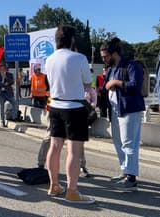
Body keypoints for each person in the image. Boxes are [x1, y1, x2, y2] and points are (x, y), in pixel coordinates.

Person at [45, 25, 95, 204]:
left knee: (55, 147)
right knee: (74, 151)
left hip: (55, 106)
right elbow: (88, 84)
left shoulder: (49, 59)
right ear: (72, 39)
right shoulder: (79, 57)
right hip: (74, 107)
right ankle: (72, 191)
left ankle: (54, 185)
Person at [100, 37, 145, 191]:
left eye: (105, 56)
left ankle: (131, 180)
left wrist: (116, 83)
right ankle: (125, 171)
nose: (104, 59)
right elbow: (104, 88)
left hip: (130, 109)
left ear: (114, 54)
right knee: (118, 142)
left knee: (129, 143)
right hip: (115, 109)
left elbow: (135, 85)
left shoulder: (132, 65)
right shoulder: (111, 69)